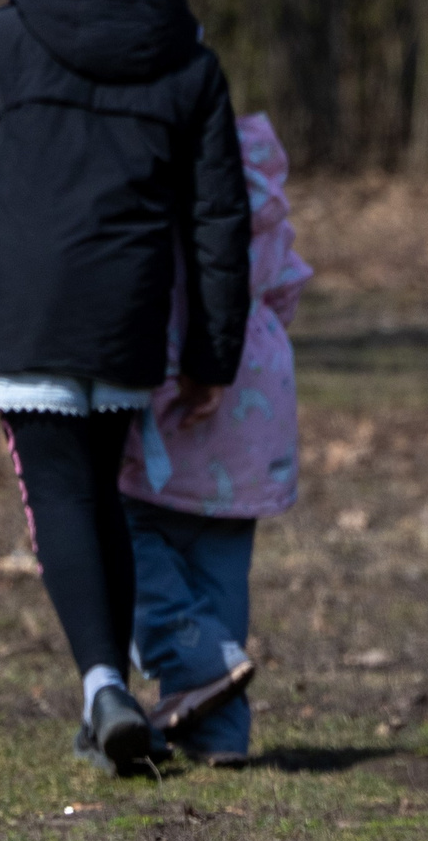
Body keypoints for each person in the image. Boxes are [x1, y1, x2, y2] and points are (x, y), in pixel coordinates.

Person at [0, 0, 250, 774]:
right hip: (125, 307)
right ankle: (111, 693)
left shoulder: (6, 35)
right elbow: (220, 219)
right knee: (96, 489)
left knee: (59, 489)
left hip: (25, 302)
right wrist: (213, 352)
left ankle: (104, 684)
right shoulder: (190, 58)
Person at [120, 112, 312, 767]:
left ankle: (192, 654)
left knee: (126, 535)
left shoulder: (163, 185)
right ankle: (221, 732)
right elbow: (287, 285)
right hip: (256, 401)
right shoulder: (260, 185)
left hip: (183, 395)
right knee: (222, 570)